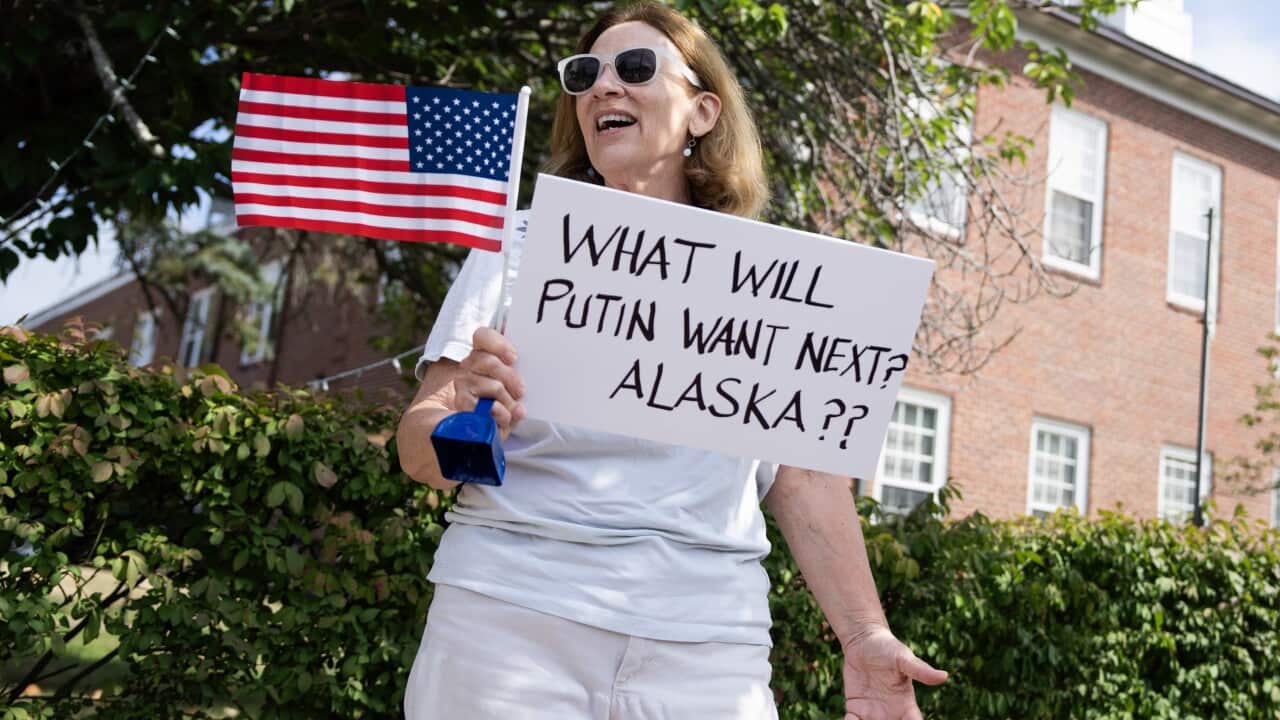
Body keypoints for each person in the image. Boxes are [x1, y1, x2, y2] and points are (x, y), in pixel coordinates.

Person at [397, 3, 947, 718]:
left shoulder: (771, 278)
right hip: (509, 623)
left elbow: (805, 478)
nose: (604, 86)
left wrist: (865, 635)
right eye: (585, 74)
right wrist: (463, 418)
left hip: (709, 652)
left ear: (702, 112)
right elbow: (419, 451)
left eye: (635, 68)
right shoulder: (516, 246)